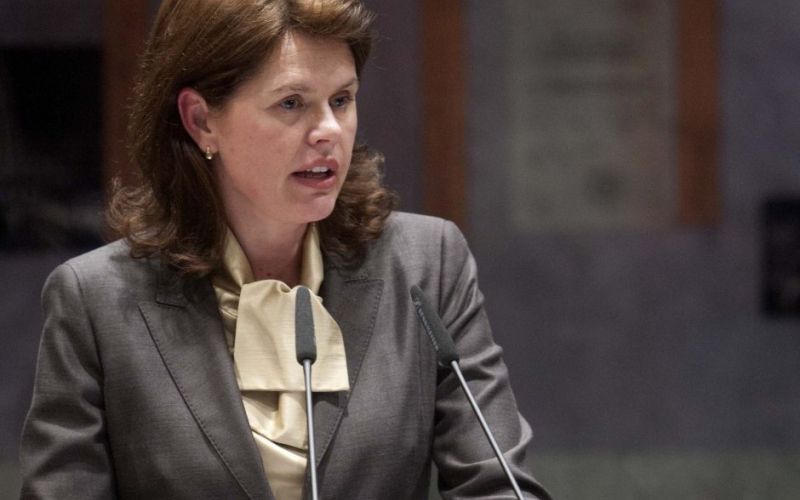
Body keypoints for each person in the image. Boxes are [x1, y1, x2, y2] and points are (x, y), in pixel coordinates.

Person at [19, 0, 551, 498]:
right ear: (201, 120)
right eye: (291, 103)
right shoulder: (97, 302)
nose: (328, 131)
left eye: (341, 100)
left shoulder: (425, 264)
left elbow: (498, 485)